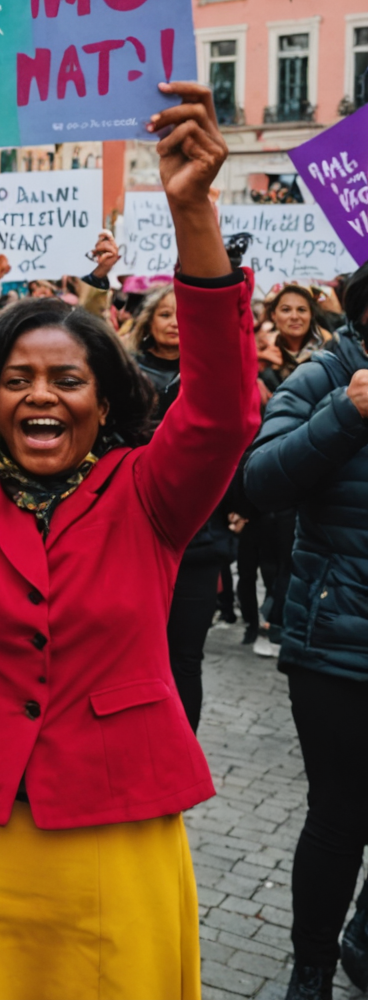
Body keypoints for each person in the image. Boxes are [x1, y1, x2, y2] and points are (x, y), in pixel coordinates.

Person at [0, 83, 259, 1000]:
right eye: (17, 379)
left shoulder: (151, 494)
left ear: (107, 397)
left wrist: (193, 214)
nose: (42, 396)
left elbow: (221, 411)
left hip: (115, 825)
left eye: (67, 378)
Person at [246, 257, 368, 1000]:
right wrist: (346, 415)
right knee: (339, 816)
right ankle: (313, 966)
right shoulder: (328, 374)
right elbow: (260, 482)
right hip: (338, 645)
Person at [124, 281, 237, 728]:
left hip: (198, 541)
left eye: (181, 315)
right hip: (137, 533)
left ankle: (178, 749)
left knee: (185, 658)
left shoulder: (210, 376)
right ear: (149, 322)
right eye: (165, 314)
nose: (174, 323)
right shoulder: (124, 374)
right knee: (131, 656)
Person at [267, 283, 331, 382]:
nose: (294, 317)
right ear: (273, 315)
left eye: (301, 310)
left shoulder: (330, 350)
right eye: (286, 310)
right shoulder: (263, 354)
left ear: (311, 314)